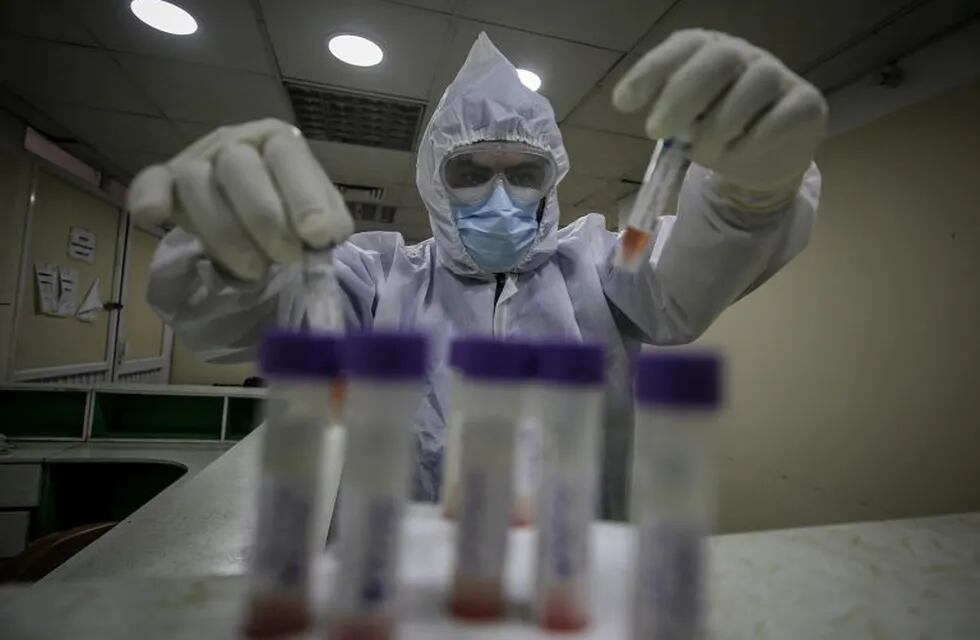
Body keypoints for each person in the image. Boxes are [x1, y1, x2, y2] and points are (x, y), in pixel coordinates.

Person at [128, 30, 827, 518]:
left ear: (552, 182)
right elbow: (258, 312)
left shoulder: (599, 267)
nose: (500, 197)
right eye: (470, 172)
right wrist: (231, 260)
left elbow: (684, 278)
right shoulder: (381, 278)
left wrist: (748, 196)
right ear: (436, 182)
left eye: (524, 173)